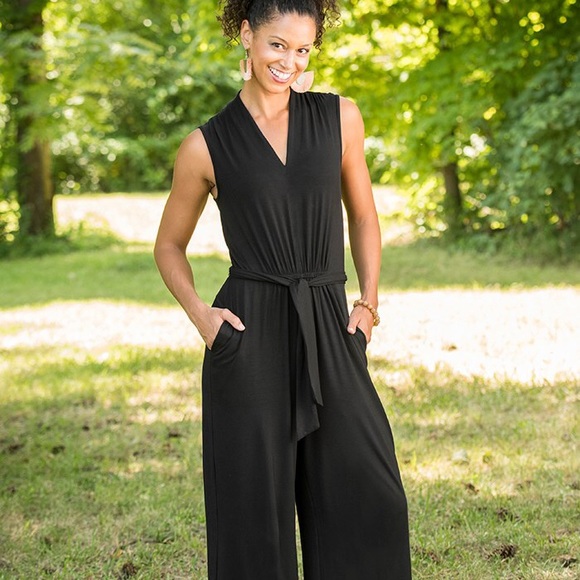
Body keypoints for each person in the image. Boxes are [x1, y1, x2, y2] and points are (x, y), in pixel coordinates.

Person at [154, 0, 412, 578]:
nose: (289, 61)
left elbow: (364, 215)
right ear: (247, 35)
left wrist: (368, 303)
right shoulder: (205, 145)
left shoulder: (340, 117)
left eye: (302, 49)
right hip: (248, 332)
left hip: (329, 320)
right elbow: (168, 245)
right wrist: (202, 315)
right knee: (253, 511)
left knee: (369, 493)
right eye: (277, 44)